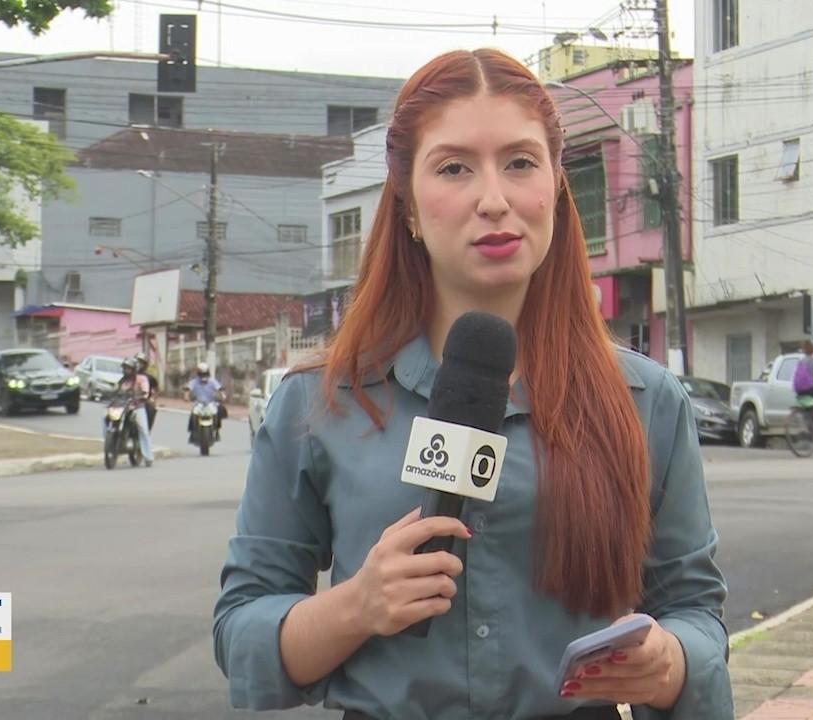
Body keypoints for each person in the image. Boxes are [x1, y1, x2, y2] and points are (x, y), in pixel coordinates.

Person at [213, 49, 732, 720]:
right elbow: (241, 631)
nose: (494, 199)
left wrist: (668, 663)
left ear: (555, 187)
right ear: (407, 207)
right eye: (454, 168)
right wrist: (356, 605)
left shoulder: (646, 400)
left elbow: (697, 614)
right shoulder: (318, 405)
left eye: (520, 163)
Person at [112, 357, 154, 467]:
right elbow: (115, 391)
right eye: (125, 368)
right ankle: (111, 444)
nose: (126, 371)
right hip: (122, 408)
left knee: (143, 429)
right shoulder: (122, 381)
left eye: (129, 369)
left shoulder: (142, 379)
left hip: (137, 407)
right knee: (105, 417)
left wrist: (143, 395)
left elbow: (145, 391)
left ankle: (148, 456)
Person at [185, 362, 225, 442]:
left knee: (218, 412)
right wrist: (186, 397)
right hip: (198, 404)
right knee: (192, 415)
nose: (203, 376)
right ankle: (192, 432)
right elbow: (187, 389)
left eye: (205, 374)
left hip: (210, 403)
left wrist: (223, 396)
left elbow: (219, 389)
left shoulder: (212, 381)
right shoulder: (194, 382)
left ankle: (217, 430)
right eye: (201, 374)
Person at [135, 354, 160, 432]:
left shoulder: (150, 378)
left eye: (141, 363)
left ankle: (146, 430)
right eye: (137, 362)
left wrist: (152, 398)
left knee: (151, 409)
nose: (138, 365)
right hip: (129, 399)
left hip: (143, 400)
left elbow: (157, 390)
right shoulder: (129, 375)